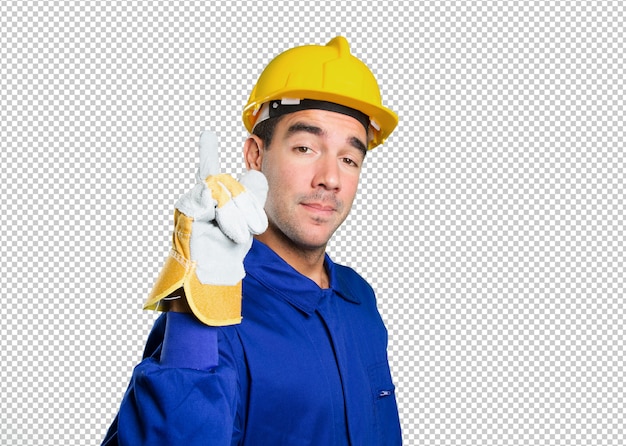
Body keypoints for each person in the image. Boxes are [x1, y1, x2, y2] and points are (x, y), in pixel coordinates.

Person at [102, 36, 402, 445]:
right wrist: (197, 311)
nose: (330, 178)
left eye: (349, 159)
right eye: (305, 147)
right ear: (255, 156)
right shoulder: (217, 309)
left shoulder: (358, 298)